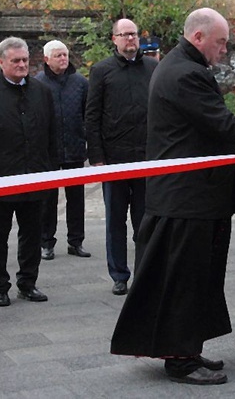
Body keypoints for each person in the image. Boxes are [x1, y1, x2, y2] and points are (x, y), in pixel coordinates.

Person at [110, 8, 235, 386]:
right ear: (199, 37)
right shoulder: (185, 73)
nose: (225, 49)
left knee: (195, 279)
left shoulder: (180, 66)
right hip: (188, 199)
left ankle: (186, 347)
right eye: (221, 42)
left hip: (190, 197)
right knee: (185, 280)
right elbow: (222, 125)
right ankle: (181, 359)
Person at [0, 37, 56, 307]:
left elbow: (51, 135)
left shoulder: (42, 92)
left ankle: (27, 283)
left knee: (31, 233)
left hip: (35, 175)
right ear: (1, 62)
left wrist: (51, 173)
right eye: (15, 61)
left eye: (25, 61)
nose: (21, 65)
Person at [86, 19, 157, 296]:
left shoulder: (153, 68)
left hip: (146, 157)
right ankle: (119, 274)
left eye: (134, 34)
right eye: (125, 35)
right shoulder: (101, 71)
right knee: (115, 220)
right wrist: (97, 157)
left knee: (145, 220)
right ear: (114, 39)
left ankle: (144, 272)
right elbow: (92, 115)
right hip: (113, 159)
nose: (130, 39)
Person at [36, 40, 90, 260]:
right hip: (48, 151)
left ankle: (75, 241)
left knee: (76, 198)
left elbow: (88, 113)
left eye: (65, 54)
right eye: (58, 55)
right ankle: (46, 242)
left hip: (75, 147)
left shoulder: (80, 83)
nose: (63, 59)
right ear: (46, 59)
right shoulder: (38, 84)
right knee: (48, 199)